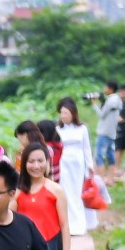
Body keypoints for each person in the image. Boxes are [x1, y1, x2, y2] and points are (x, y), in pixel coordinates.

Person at [51, 97, 99, 237]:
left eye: (66, 113)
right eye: (62, 113)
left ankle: (80, 224)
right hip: (64, 163)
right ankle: (68, 225)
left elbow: (86, 148)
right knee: (66, 192)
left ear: (73, 113)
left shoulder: (82, 129)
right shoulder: (58, 130)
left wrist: (90, 165)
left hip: (78, 163)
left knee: (78, 192)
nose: (63, 116)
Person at [94, 81, 122, 169]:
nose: (104, 89)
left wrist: (94, 105)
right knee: (110, 155)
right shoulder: (118, 99)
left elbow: (101, 115)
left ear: (110, 89)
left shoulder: (110, 100)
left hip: (104, 131)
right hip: (112, 131)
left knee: (99, 156)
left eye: (105, 87)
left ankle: (101, 179)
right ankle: (111, 178)